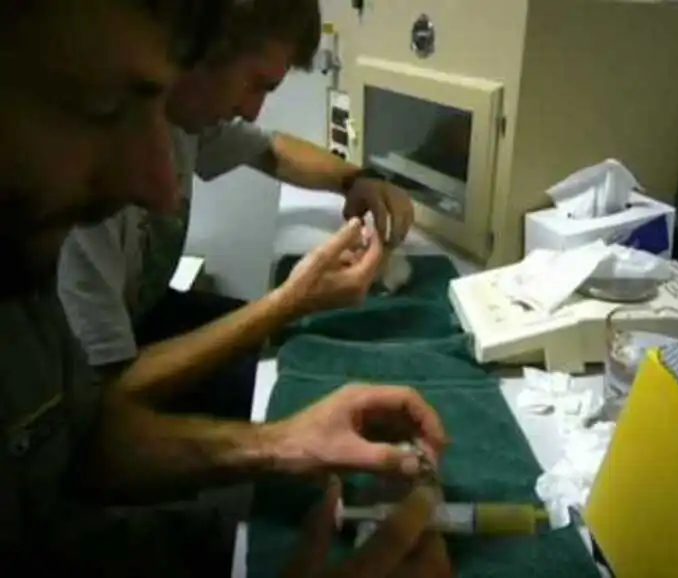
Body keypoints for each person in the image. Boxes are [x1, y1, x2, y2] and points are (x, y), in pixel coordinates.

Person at [0, 1, 445, 576]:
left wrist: (286, 443)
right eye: (101, 107)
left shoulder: (22, 290)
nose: (162, 187)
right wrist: (287, 302)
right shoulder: (58, 232)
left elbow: (88, 444)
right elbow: (109, 393)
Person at [57, 0, 415, 421]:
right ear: (197, 51)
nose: (252, 110)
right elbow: (103, 394)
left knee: (314, 340)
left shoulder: (186, 120)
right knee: (303, 393)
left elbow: (271, 150)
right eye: (255, 84)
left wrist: (357, 179)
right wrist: (287, 302)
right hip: (98, 388)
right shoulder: (77, 199)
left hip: (149, 313)